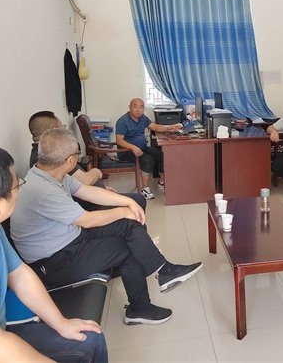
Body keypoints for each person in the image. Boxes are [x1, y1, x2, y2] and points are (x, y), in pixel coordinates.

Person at [11, 128, 202, 326]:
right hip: (54, 263)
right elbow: (86, 220)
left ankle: (164, 270)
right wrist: (123, 211)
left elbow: (88, 192)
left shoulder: (50, 174)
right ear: (70, 160)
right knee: (126, 249)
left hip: (70, 239)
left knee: (128, 225)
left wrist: (128, 203)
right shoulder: (43, 190)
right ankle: (139, 309)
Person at [0, 145, 107, 362]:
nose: (20, 190)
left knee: (90, 339)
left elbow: (20, 275)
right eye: (18, 185)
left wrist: (61, 324)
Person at [116, 98, 182, 200]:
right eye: (135, 106)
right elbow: (119, 140)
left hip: (142, 148)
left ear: (143, 109)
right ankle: (145, 189)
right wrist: (133, 147)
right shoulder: (123, 121)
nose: (138, 110)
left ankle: (162, 182)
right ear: (129, 107)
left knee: (160, 154)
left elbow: (155, 127)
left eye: (141, 107)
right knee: (148, 160)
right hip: (127, 151)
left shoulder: (142, 118)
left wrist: (170, 127)